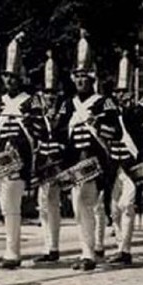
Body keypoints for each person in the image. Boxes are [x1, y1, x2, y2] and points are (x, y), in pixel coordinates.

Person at [54, 29, 121, 271]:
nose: (81, 80)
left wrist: (98, 125)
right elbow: (59, 133)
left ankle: (89, 252)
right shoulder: (67, 105)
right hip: (75, 165)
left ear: (92, 78)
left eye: (85, 76)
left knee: (87, 203)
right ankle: (87, 249)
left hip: (97, 163)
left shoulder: (104, 102)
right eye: (77, 76)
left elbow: (117, 132)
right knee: (78, 208)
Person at [0, 31, 39, 269]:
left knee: (12, 204)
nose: (10, 81)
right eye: (7, 77)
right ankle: (10, 248)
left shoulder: (30, 101)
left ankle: (13, 252)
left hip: (19, 160)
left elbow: (39, 131)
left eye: (14, 77)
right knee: (5, 206)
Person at [105, 50, 143, 266]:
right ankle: (119, 245)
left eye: (125, 91)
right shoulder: (108, 113)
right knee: (113, 208)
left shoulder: (136, 112)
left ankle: (126, 249)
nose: (121, 95)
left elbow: (137, 133)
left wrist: (130, 110)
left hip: (130, 166)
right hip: (113, 166)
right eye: (118, 92)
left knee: (127, 205)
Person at [31, 50, 64, 263]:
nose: (50, 96)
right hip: (44, 162)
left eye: (53, 92)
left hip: (60, 162)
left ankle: (58, 246)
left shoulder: (64, 108)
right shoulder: (37, 113)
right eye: (46, 92)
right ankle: (49, 247)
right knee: (43, 205)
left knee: (64, 204)